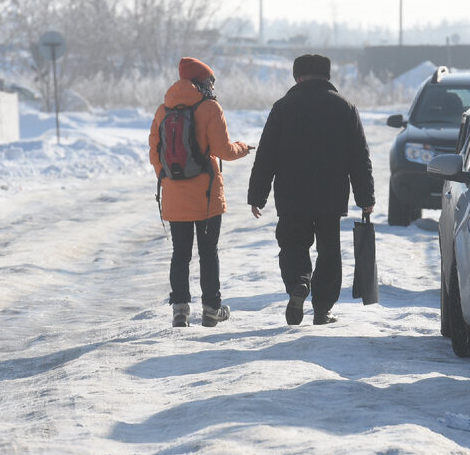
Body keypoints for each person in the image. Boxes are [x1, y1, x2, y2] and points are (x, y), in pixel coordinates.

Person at [248, 54, 375, 325]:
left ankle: (298, 284)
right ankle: (322, 309)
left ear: (297, 77)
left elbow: (266, 155)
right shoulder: (345, 108)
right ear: (327, 77)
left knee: (292, 244)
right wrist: (365, 197)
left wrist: (257, 196)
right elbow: (359, 157)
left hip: (292, 196)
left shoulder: (283, 107)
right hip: (330, 197)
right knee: (329, 250)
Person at [149, 57, 251, 328]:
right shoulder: (210, 108)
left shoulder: (163, 110)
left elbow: (154, 154)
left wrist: (168, 177)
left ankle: (180, 309)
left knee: (180, 254)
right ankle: (211, 309)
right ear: (203, 82)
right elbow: (223, 151)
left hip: (174, 195)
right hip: (206, 196)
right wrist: (243, 147)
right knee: (208, 253)